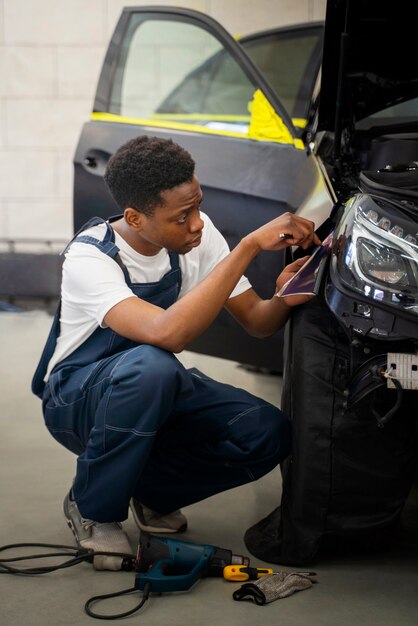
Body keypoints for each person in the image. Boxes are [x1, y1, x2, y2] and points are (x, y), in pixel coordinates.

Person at [32, 135, 321, 571]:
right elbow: (166, 335)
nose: (197, 225)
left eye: (198, 206)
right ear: (135, 217)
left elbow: (259, 322)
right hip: (77, 399)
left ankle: (150, 493)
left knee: (267, 432)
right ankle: (93, 508)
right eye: (181, 217)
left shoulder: (198, 238)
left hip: (152, 385)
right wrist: (247, 247)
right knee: (154, 366)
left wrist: (286, 294)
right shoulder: (90, 258)